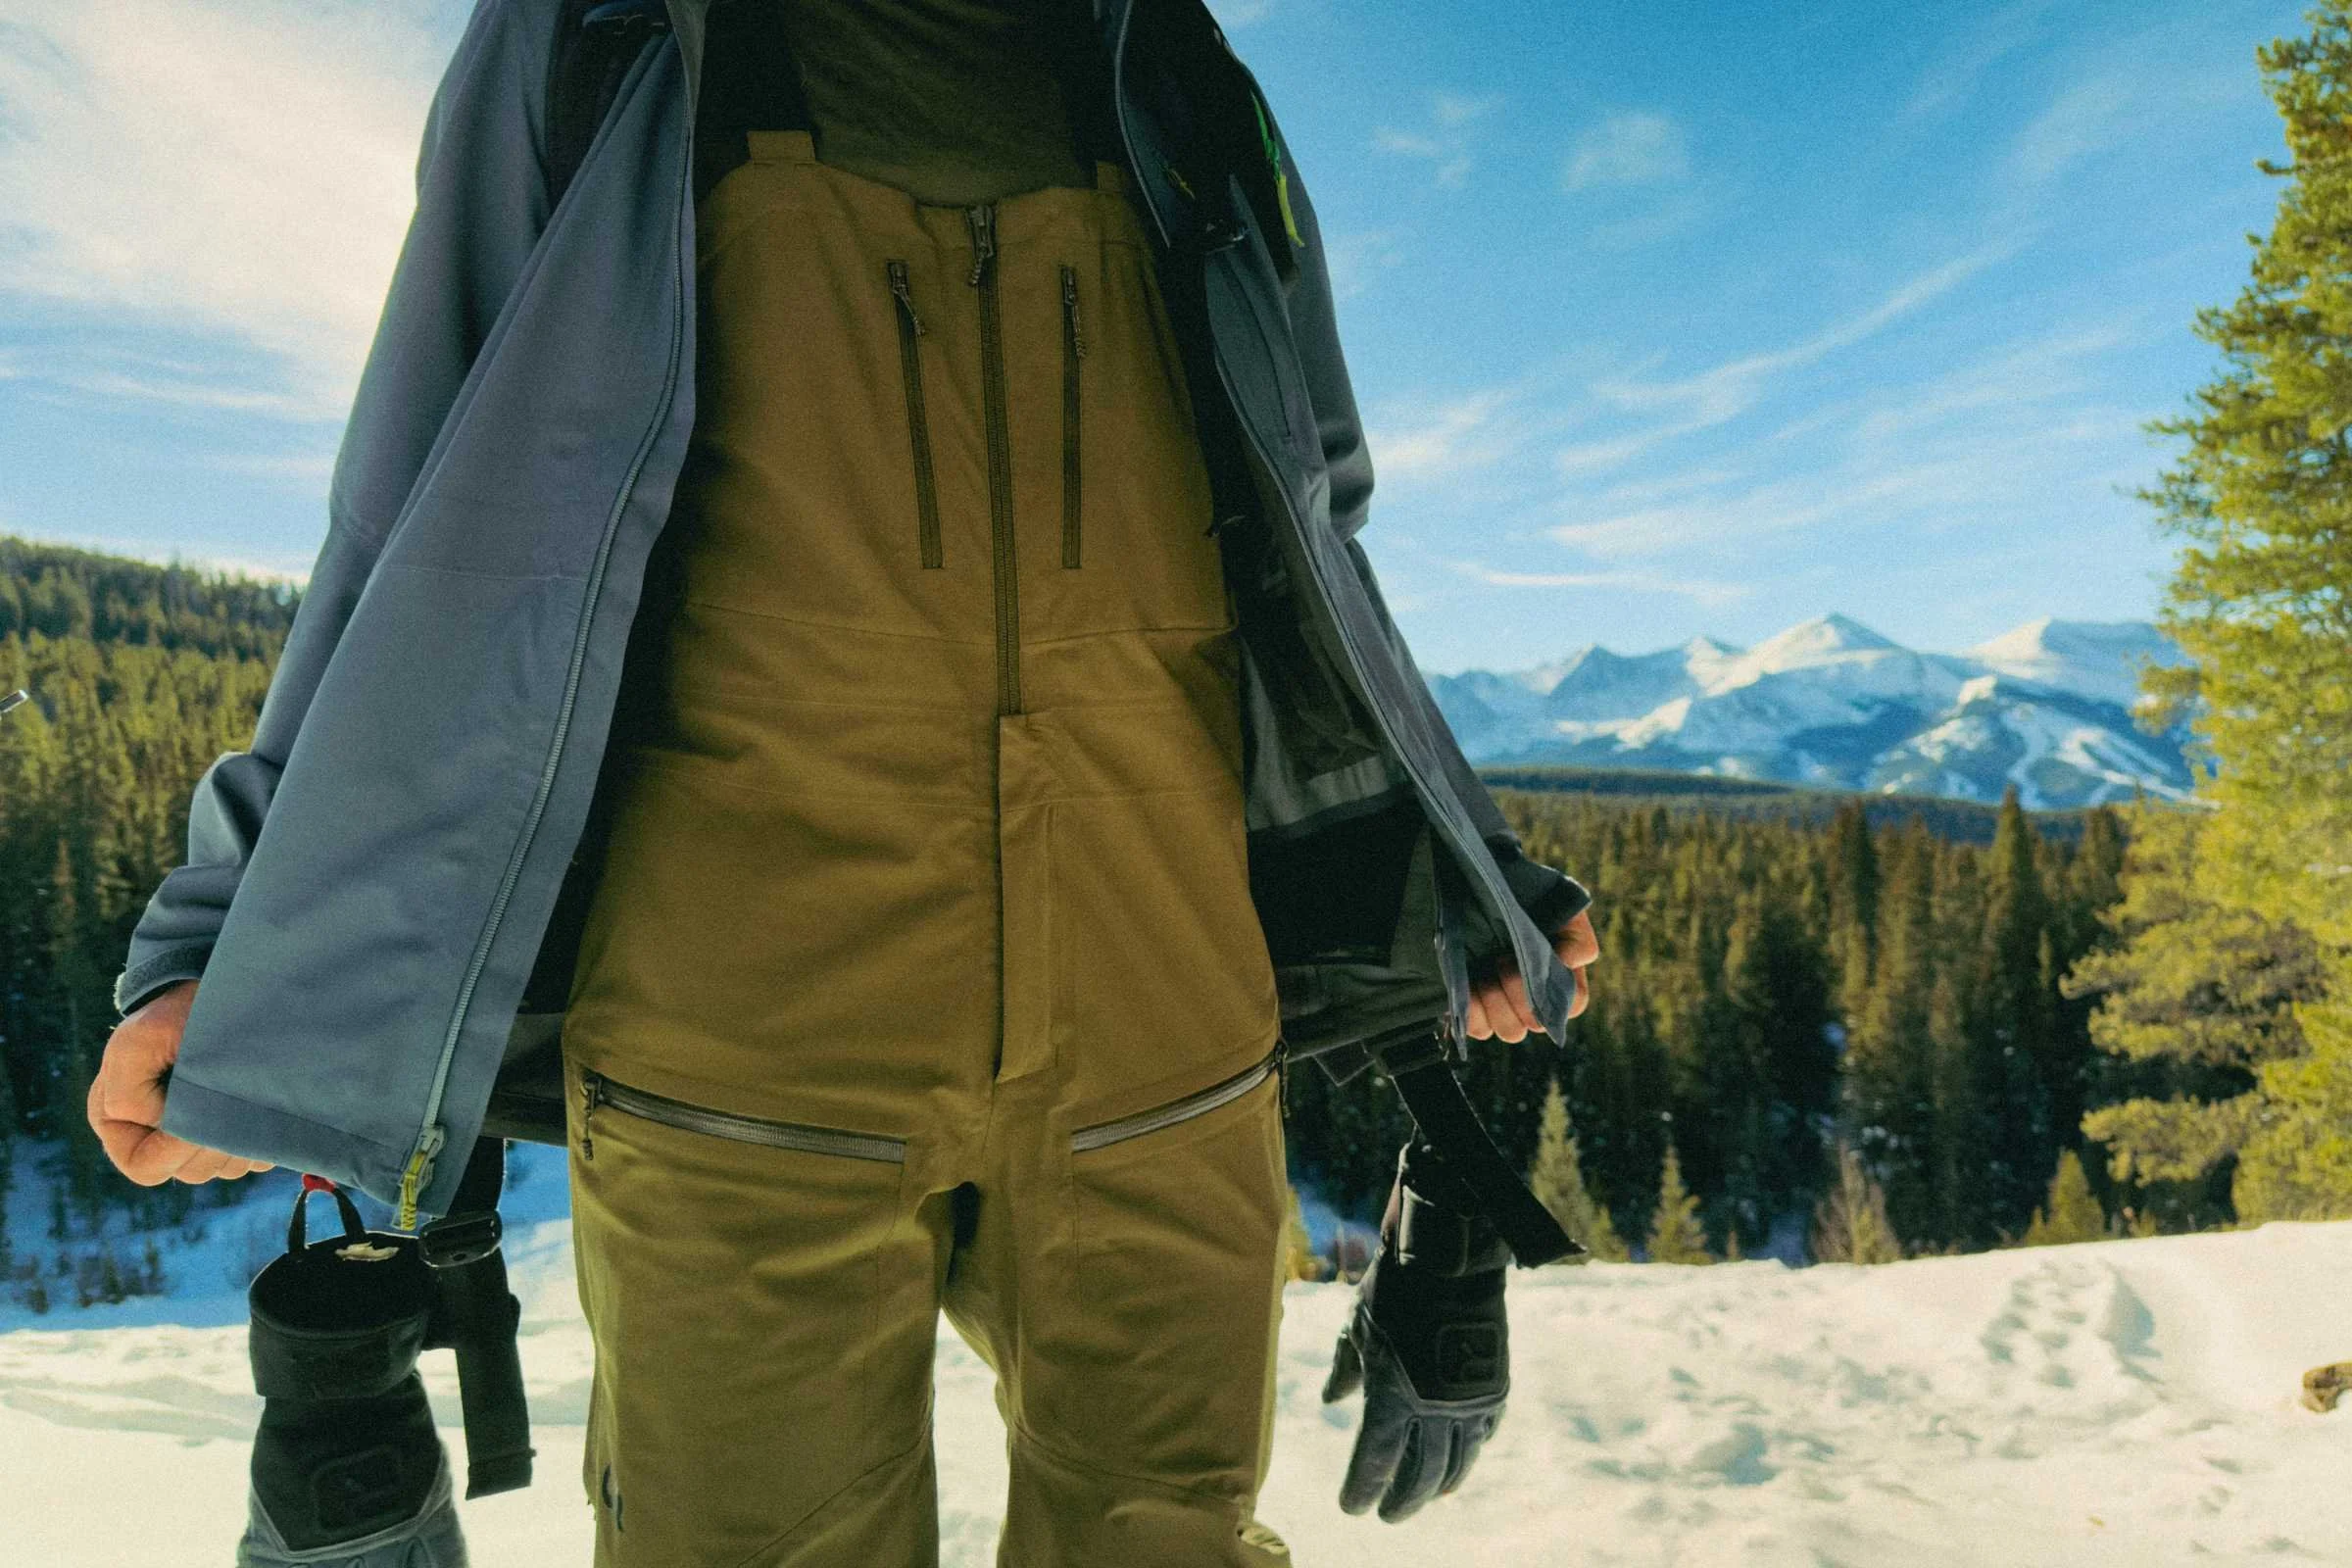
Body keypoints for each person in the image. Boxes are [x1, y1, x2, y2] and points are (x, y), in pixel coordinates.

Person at [87, 2, 1599, 1564]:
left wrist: (1462, 860)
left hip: (1168, 1035)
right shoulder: (608, 36)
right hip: (742, 1054)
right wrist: (231, 926)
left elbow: (1309, 528)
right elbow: (414, 506)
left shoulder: (1175, 64)